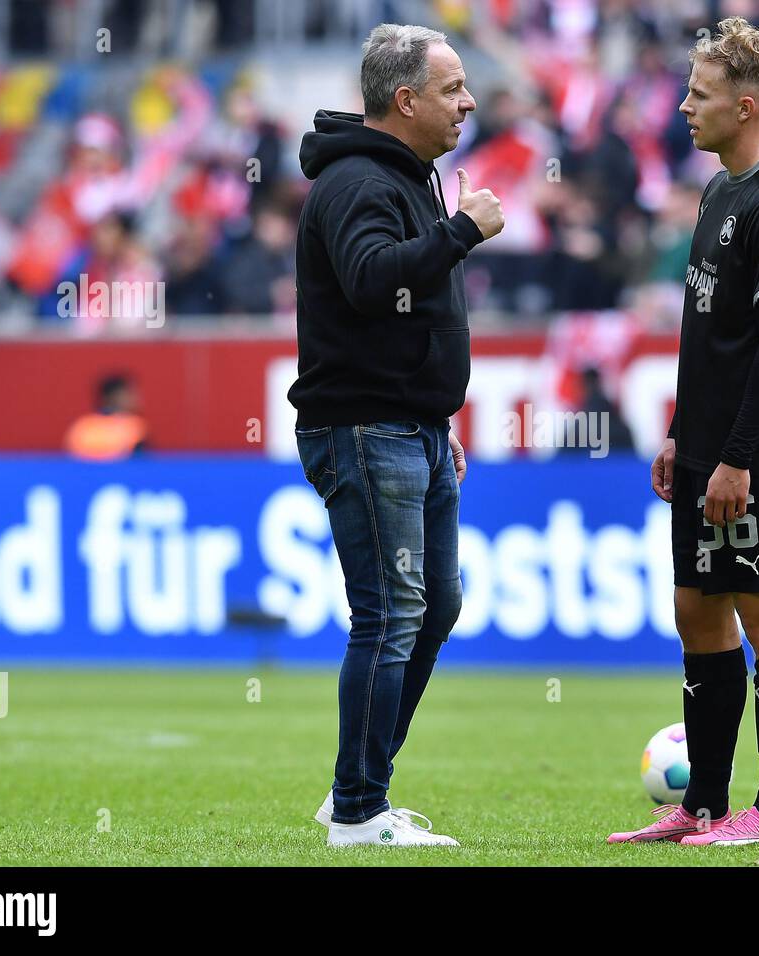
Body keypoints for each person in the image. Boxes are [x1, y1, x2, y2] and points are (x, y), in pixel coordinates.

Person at [606, 17, 759, 847]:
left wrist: (733, 457)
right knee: (698, 608)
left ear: (744, 104)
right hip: (701, 445)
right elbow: (709, 337)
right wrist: (676, 431)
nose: (683, 108)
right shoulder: (717, 190)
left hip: (754, 450)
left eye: (698, 95)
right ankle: (702, 804)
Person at [289, 23, 503, 848]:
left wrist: (431, 413)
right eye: (453, 89)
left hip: (410, 425)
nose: (469, 102)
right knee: (390, 613)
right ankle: (357, 812)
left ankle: (357, 789)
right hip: (365, 426)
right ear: (405, 99)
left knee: (432, 605)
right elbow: (374, 280)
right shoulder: (355, 184)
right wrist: (462, 232)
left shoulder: (408, 176)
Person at [63, 374, 147, 460]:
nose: (136, 398)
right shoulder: (135, 425)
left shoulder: (82, 425)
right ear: (113, 397)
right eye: (130, 393)